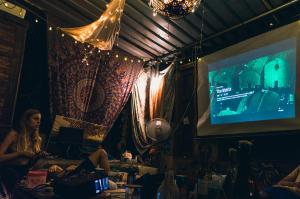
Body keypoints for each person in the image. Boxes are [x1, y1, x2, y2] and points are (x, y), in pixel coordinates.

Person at [0, 109, 42, 197]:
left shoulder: (37, 139)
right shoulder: (14, 134)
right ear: (26, 120)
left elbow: (32, 163)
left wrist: (38, 156)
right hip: (9, 169)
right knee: (14, 177)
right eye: (35, 118)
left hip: (26, 171)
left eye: (39, 120)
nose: (38, 122)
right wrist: (20, 153)